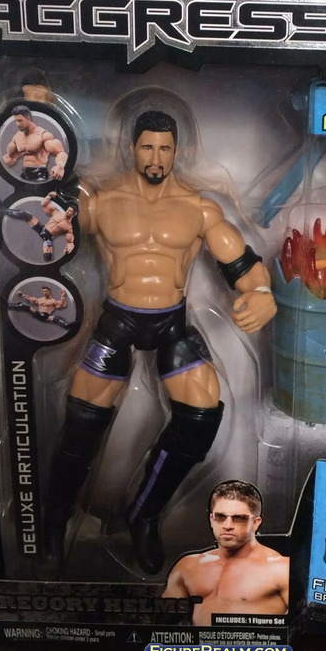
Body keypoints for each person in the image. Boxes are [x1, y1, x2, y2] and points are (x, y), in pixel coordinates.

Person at [42, 110, 277, 576]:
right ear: (133, 148)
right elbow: (41, 210)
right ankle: (53, 522)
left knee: (202, 412)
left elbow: (243, 264)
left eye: (164, 148)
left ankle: (144, 514)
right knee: (82, 421)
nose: (156, 157)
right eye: (148, 146)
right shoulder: (100, 203)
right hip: (119, 320)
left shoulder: (197, 208)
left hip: (170, 321)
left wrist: (262, 294)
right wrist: (38, 119)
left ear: (176, 152)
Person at [163, 480, 289, 625]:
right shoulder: (188, 567)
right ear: (211, 520)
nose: (228, 525)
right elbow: (162, 624)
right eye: (220, 517)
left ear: (255, 523)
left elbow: (302, 627)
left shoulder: (281, 569)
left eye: (239, 518)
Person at [0, 192, 77, 262]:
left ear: (73, 214)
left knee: (48, 257)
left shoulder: (68, 227)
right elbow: (43, 204)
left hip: (48, 237)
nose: (67, 211)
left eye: (70, 211)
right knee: (25, 214)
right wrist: (49, 196)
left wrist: (69, 249)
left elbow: (70, 242)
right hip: (42, 229)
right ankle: (3, 210)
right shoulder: (57, 213)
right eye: (68, 209)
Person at [2, 104, 68, 182]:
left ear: (28, 118)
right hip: (24, 173)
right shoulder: (17, 137)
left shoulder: (43, 135)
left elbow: (60, 153)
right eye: (16, 121)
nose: (17, 124)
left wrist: (60, 166)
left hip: (39, 173)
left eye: (20, 120)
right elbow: (10, 157)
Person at [8, 285, 72, 330]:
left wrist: (62, 296)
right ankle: (10, 306)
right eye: (43, 291)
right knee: (24, 306)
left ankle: (66, 325)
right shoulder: (40, 299)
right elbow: (29, 298)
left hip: (46, 316)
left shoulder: (53, 301)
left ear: (49, 291)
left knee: (57, 318)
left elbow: (62, 305)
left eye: (46, 291)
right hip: (39, 314)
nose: (44, 293)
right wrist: (22, 294)